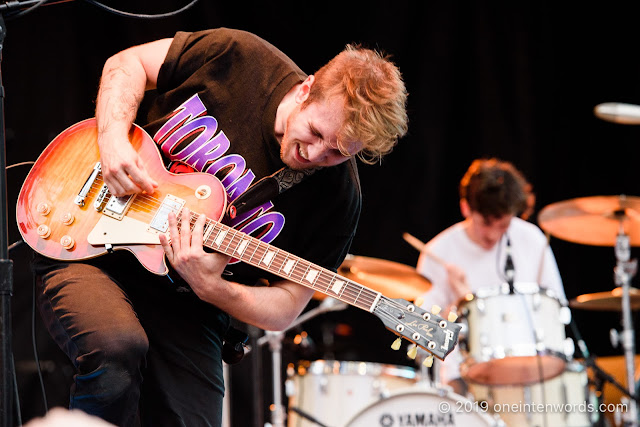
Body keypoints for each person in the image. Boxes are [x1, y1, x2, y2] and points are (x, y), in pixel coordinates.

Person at [33, 28, 408, 426]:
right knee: (116, 350)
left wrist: (215, 288)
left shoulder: (340, 199)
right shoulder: (238, 57)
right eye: (315, 132)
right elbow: (127, 63)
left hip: (191, 306)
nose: (315, 154)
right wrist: (112, 142)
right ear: (305, 91)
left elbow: (286, 307)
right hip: (91, 238)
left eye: (336, 152)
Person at [416, 158, 566, 396]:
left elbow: (556, 310)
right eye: (487, 223)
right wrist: (458, 305)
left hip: (528, 373)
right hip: (463, 381)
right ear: (466, 208)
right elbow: (423, 336)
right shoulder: (439, 251)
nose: (495, 234)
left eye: (504, 225)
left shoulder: (532, 239)